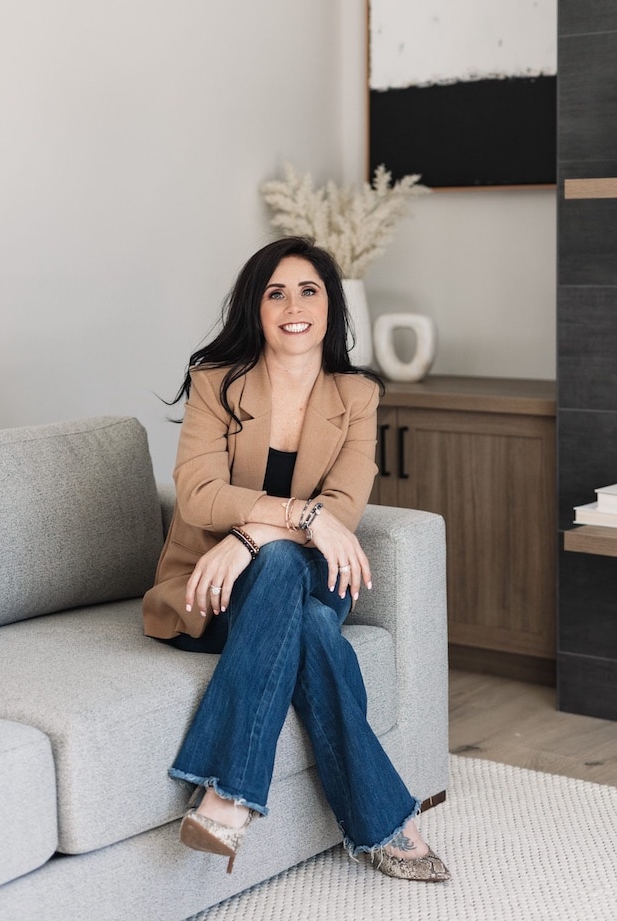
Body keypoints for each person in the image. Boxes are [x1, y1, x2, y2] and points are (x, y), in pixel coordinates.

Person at [142, 236, 450, 883]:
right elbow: (197, 495)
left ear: (330, 307)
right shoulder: (215, 385)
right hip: (215, 589)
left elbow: (343, 502)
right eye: (274, 292)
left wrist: (254, 535)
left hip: (314, 573)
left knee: (282, 568)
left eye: (308, 290)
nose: (292, 306)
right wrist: (296, 518)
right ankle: (382, 823)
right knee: (310, 625)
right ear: (255, 309)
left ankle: (227, 795)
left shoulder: (356, 397)